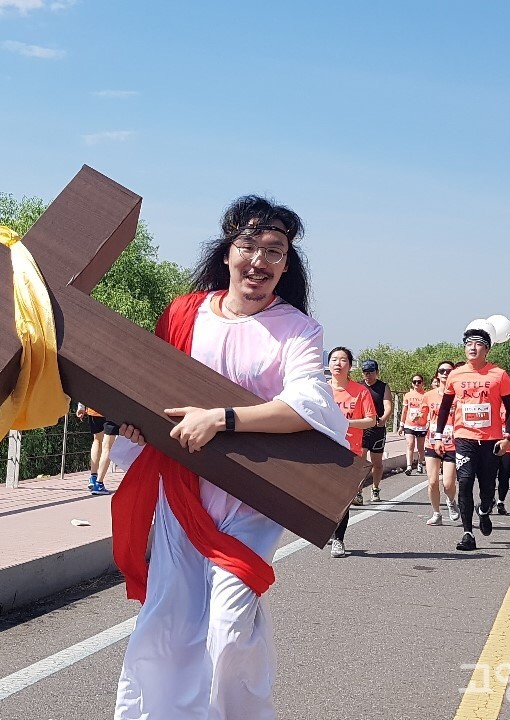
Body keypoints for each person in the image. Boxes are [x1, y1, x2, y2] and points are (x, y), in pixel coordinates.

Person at [107, 196, 349, 719]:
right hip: (182, 489)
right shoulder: (184, 314)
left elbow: (308, 405)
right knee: (169, 621)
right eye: (249, 246)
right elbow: (152, 391)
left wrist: (221, 418)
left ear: (287, 264)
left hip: (251, 498)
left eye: (274, 250)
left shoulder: (297, 330)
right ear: (227, 252)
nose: (259, 260)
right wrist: (137, 425)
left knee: (230, 626)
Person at [434, 326, 510, 551]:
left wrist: (507, 436)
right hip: (464, 438)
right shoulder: (456, 374)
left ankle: (484, 510)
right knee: (465, 482)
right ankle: (468, 533)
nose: (472, 347)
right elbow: (444, 407)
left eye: (478, 344)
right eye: (468, 344)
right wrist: (438, 436)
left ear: (487, 349)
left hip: (491, 440)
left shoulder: (499, 374)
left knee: (488, 487)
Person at [327, 346, 377, 557]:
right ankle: (330, 530)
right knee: (326, 495)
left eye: (343, 360)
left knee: (343, 498)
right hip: (322, 449)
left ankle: (339, 539)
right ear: (328, 364)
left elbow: (371, 420)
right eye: (334, 359)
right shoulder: (321, 389)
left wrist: (347, 423)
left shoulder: (360, 391)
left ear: (350, 365)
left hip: (349, 450)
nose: (338, 363)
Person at [423, 361, 460, 526]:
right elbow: (423, 416)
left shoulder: (458, 395)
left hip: (452, 443)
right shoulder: (428, 395)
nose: (445, 373)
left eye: (449, 371)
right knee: (432, 481)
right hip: (432, 442)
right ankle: (436, 513)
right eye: (442, 371)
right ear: (437, 374)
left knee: (448, 483)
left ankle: (451, 501)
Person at [360, 358, 393, 503]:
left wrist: (383, 419)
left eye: (371, 372)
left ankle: (375, 488)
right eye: (365, 372)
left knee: (377, 462)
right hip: (362, 428)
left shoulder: (383, 387)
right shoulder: (359, 386)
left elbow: (388, 406)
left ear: (377, 372)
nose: (368, 375)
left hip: (377, 429)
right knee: (360, 461)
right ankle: (358, 491)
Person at [76, 403, 119, 495]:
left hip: (94, 409)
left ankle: (93, 477)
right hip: (112, 409)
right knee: (107, 446)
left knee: (97, 440)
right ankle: (99, 484)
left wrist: (81, 407)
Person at [400, 374, 429, 475]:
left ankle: (420, 464)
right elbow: (404, 410)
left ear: (422, 383)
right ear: (412, 384)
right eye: (414, 382)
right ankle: (409, 466)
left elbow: (428, 410)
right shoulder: (408, 395)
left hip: (421, 425)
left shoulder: (426, 395)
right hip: (409, 424)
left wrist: (428, 422)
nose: (417, 383)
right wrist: (401, 425)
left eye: (419, 381)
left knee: (420, 447)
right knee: (410, 444)